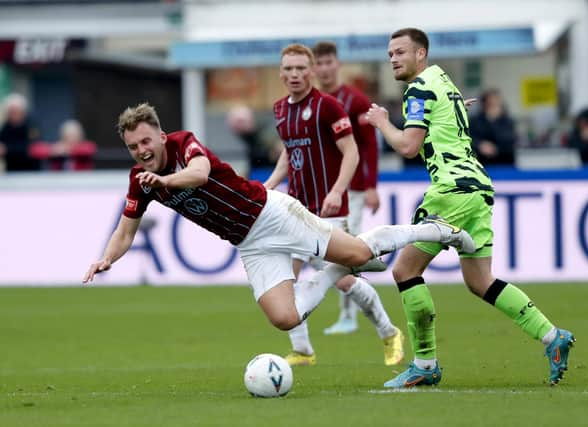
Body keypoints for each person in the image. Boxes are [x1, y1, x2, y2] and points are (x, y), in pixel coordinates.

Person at [83, 102, 475, 348]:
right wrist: (106, 259)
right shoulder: (140, 179)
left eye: (146, 141)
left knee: (361, 254)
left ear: (161, 135)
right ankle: (330, 273)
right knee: (284, 318)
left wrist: (166, 181)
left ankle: (433, 230)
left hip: (270, 213)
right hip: (248, 243)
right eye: (134, 147)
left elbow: (200, 174)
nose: (142, 151)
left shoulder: (184, 144)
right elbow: (125, 231)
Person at [365, 28, 575, 387]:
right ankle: (551, 336)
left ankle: (425, 365)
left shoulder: (418, 89)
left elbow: (408, 147)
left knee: (405, 271)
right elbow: (451, 109)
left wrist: (382, 122)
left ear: (420, 54)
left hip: (451, 191)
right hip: (479, 189)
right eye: (390, 54)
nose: (394, 59)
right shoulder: (443, 80)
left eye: (401, 52)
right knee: (480, 281)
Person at [264, 43, 404, 367]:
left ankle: (388, 331)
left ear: (311, 71)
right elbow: (289, 153)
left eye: (302, 68)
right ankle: (303, 350)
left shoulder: (328, 107)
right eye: (290, 69)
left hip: (328, 212)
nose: (296, 74)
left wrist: (337, 191)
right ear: (281, 73)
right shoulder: (280, 109)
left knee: (344, 281)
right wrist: (270, 184)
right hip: (293, 210)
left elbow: (352, 151)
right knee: (284, 278)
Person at [312, 40, 381, 336]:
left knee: (342, 252)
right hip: (318, 191)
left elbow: (368, 146)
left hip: (350, 189)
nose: (325, 68)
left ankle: (349, 315)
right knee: (322, 252)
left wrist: (371, 186)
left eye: (329, 62)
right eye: (320, 63)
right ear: (314, 68)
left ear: (337, 64)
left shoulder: (355, 100)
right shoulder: (309, 101)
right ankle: (372, 260)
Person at [469, 88, 517, 165]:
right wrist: (480, 145)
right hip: (482, 162)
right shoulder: (475, 120)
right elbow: (470, 138)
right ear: (484, 104)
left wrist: (493, 122)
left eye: (496, 103)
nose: (494, 106)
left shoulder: (507, 121)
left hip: (504, 162)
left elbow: (509, 140)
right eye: (490, 104)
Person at [29, 119, 97, 170]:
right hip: (59, 183)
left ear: (80, 135)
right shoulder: (58, 148)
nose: (71, 138)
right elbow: (34, 150)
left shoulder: (85, 146)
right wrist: (52, 150)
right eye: (68, 135)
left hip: (81, 183)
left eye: (74, 135)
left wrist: (68, 150)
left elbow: (90, 149)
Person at [0, 93, 40, 171]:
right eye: (10, 112)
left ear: (22, 112)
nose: (12, 115)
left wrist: (7, 149)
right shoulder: (6, 126)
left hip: (31, 170)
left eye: (15, 111)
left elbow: (31, 147)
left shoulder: (31, 126)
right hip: (12, 170)